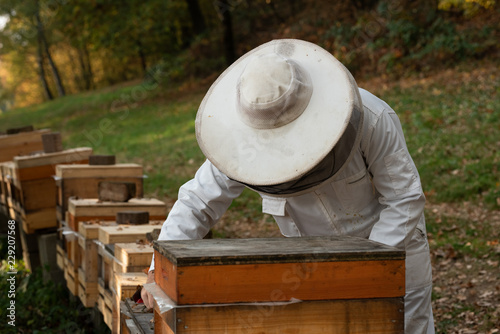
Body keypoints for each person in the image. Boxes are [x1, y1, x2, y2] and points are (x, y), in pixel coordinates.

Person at [141, 39, 435, 333]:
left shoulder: (372, 118)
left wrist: (366, 269)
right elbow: (197, 202)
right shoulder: (239, 143)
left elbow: (404, 198)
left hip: (394, 252)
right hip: (310, 270)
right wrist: (159, 272)